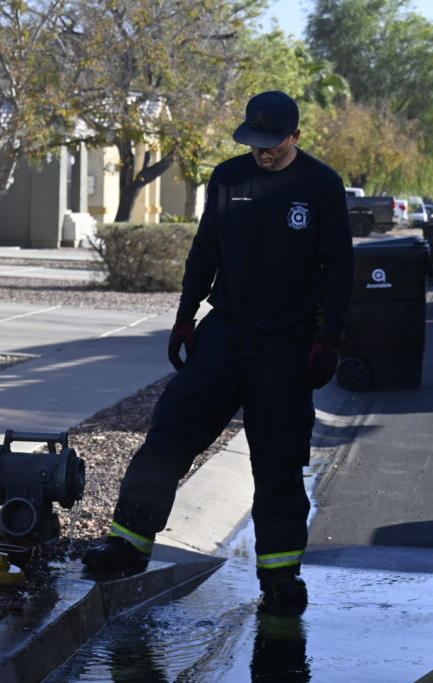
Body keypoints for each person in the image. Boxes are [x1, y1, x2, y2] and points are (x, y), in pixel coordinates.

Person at [82, 91, 353, 615]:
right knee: (169, 433)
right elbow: (205, 250)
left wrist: (330, 337)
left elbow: (338, 268)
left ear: (294, 137)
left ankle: (280, 577)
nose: (263, 152)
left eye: (273, 143)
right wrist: (186, 316)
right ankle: (128, 543)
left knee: (278, 462)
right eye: (255, 142)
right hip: (226, 331)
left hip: (287, 342)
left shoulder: (321, 185)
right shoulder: (229, 178)